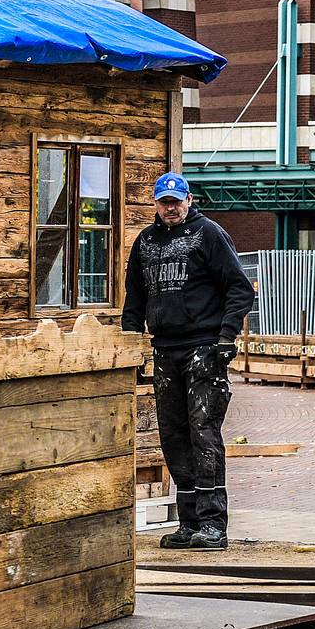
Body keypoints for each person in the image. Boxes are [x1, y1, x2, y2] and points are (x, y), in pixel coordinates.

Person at [119, 173, 255, 551]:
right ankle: (188, 521)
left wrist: (227, 336)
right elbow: (134, 299)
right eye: (164, 202)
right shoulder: (145, 242)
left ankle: (213, 523)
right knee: (173, 433)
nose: (171, 208)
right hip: (164, 349)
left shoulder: (209, 234)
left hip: (203, 347)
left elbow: (239, 288)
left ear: (189, 200)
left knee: (204, 432)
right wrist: (131, 345)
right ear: (156, 204)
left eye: (177, 201)